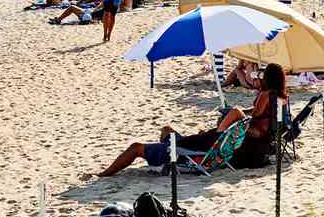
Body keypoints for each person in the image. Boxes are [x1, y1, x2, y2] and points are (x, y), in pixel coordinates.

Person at [99, 64, 289, 175]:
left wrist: (225, 124)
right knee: (168, 132)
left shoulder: (265, 95)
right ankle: (168, 161)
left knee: (138, 147)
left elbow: (253, 117)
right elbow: (259, 118)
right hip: (235, 148)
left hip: (208, 148)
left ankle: (105, 174)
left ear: (268, 78)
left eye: (262, 75)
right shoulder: (281, 98)